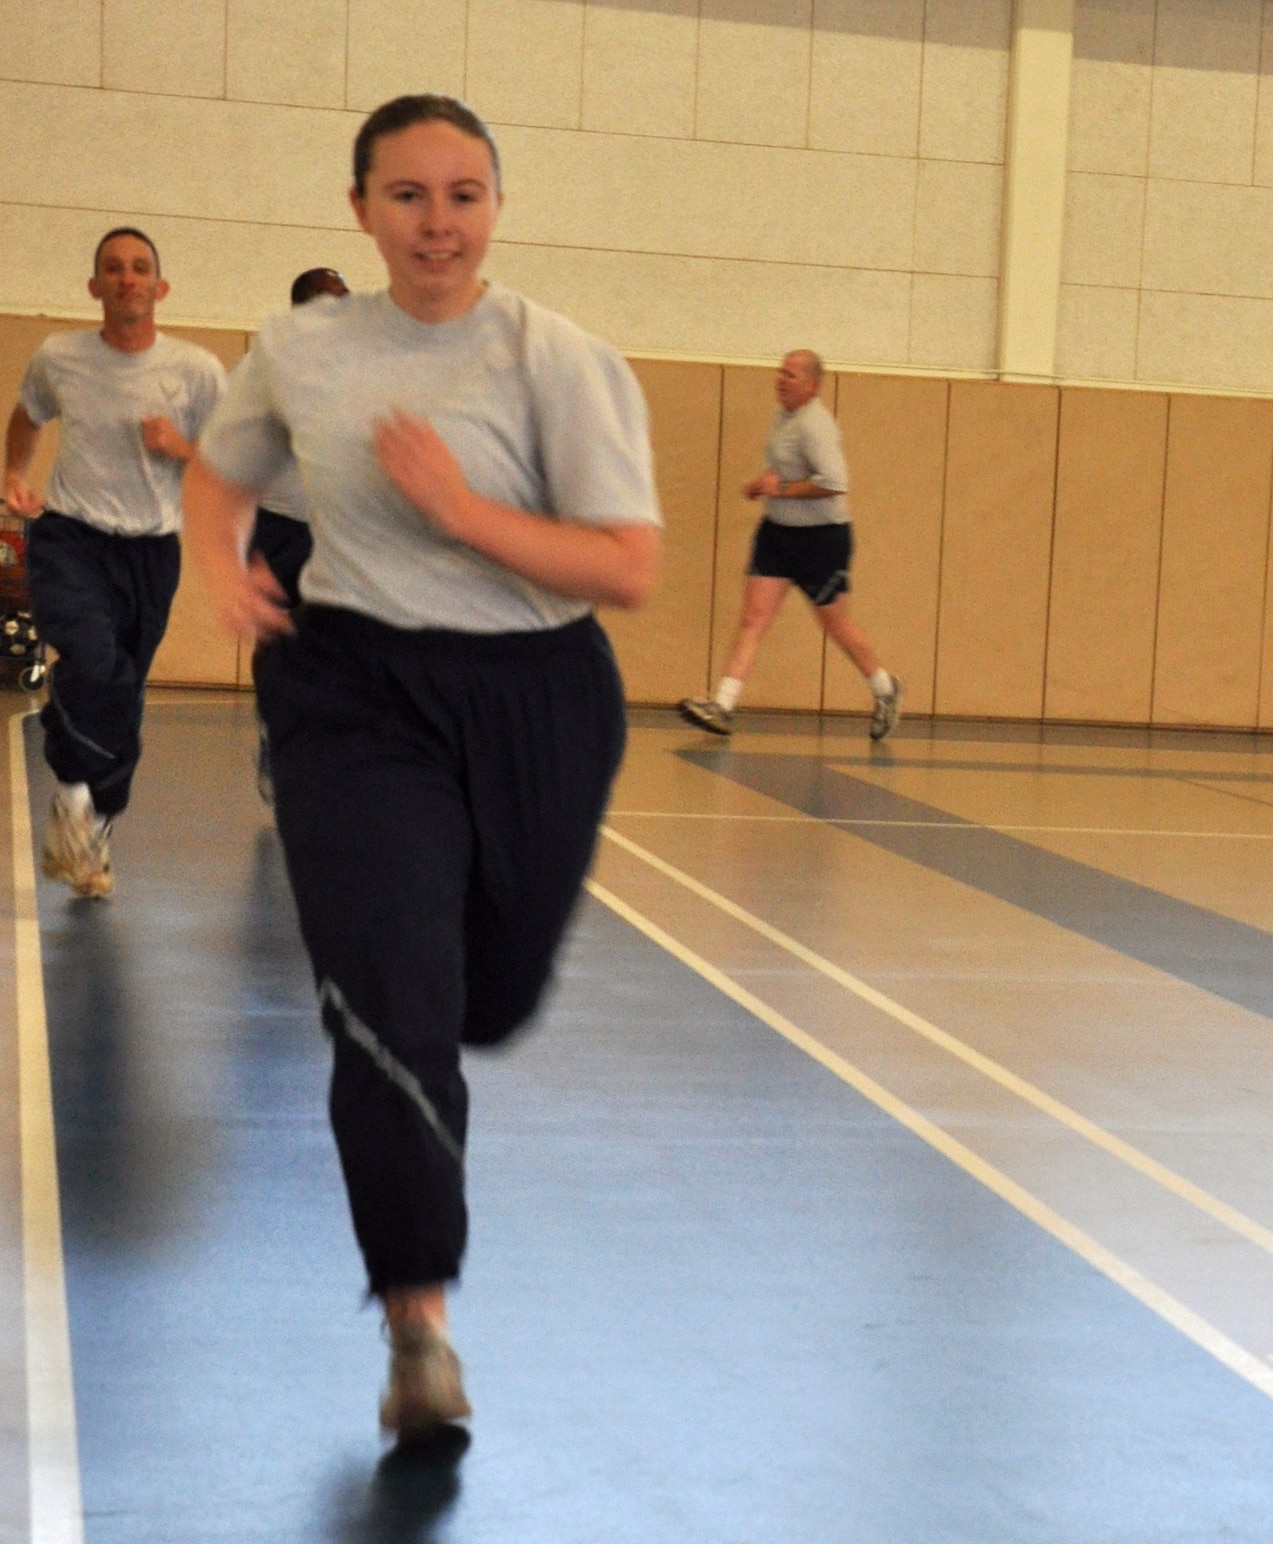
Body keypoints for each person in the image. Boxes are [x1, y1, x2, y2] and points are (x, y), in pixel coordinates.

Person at [184, 94, 660, 1439]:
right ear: (361, 211)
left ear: (497, 207)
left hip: (535, 696)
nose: (436, 222)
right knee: (389, 1002)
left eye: (462, 194)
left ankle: (441, 1033)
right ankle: (418, 1328)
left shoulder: (559, 361)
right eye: (407, 195)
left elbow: (626, 566)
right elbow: (221, 476)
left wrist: (463, 512)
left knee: (482, 1001)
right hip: (352, 691)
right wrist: (218, 567)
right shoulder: (301, 346)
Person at [3, 227, 227, 897]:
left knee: (122, 695)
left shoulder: (195, 372)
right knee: (94, 663)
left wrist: (180, 445)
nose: (127, 278)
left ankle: (97, 826)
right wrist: (15, 472)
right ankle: (71, 796)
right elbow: (27, 415)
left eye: (139, 268)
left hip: (151, 552)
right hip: (71, 537)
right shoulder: (59, 356)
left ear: (160, 288)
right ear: (94, 286)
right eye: (113, 268)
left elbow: (237, 457)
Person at [678, 349, 902, 740]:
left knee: (836, 625)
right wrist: (762, 486)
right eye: (780, 372)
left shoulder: (816, 425)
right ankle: (723, 706)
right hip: (777, 535)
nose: (781, 379)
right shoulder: (782, 417)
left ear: (811, 385)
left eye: (791, 375)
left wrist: (780, 489)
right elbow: (783, 471)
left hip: (821, 541)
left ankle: (885, 689)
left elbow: (834, 481)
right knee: (753, 618)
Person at [249, 266, 351, 801]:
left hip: (336, 527)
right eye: (325, 303)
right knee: (276, 635)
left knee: (336, 641)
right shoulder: (265, 367)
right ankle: (271, 731)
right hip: (274, 522)